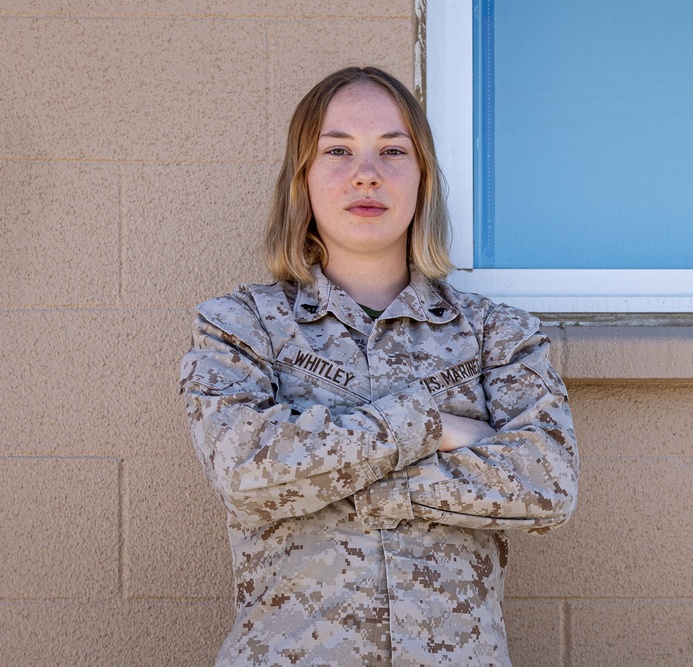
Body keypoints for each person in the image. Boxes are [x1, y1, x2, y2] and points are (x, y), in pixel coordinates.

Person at [179, 65, 578, 666]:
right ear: (302, 180)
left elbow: (547, 483)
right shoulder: (241, 327)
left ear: (423, 179)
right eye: (337, 150)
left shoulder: (497, 335)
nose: (366, 173)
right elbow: (244, 468)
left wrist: (331, 478)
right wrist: (434, 426)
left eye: (394, 151)